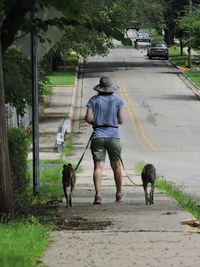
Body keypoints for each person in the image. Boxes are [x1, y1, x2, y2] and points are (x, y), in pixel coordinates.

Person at [85, 76, 124, 204]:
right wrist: (111, 120)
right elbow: (121, 120)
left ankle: (98, 196)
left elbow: (87, 118)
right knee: (116, 165)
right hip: (113, 136)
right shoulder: (117, 100)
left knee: (98, 167)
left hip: (97, 136)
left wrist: (96, 122)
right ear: (111, 88)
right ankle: (118, 194)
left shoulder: (94, 100)